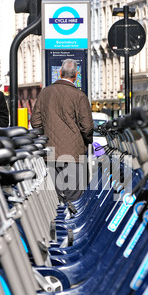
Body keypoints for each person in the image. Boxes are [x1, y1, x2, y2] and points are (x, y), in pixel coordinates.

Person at [31, 59, 94, 203]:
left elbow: (35, 121)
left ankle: (55, 224)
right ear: (76, 75)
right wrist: (86, 141)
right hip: (73, 155)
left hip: (50, 154)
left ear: (60, 73)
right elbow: (87, 127)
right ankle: (71, 224)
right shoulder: (79, 96)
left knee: (55, 199)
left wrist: (46, 134)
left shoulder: (45, 93)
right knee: (74, 198)